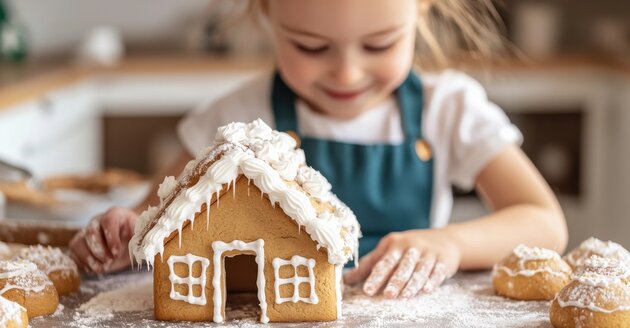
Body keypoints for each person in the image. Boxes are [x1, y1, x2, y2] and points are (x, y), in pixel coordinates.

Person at [69, 0, 567, 299]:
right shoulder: (240, 113)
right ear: (267, 13)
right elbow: (158, 222)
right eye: (310, 47)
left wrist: (452, 245)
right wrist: (124, 238)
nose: (347, 73)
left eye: (379, 45)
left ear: (422, 9)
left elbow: (544, 222)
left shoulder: (448, 109)